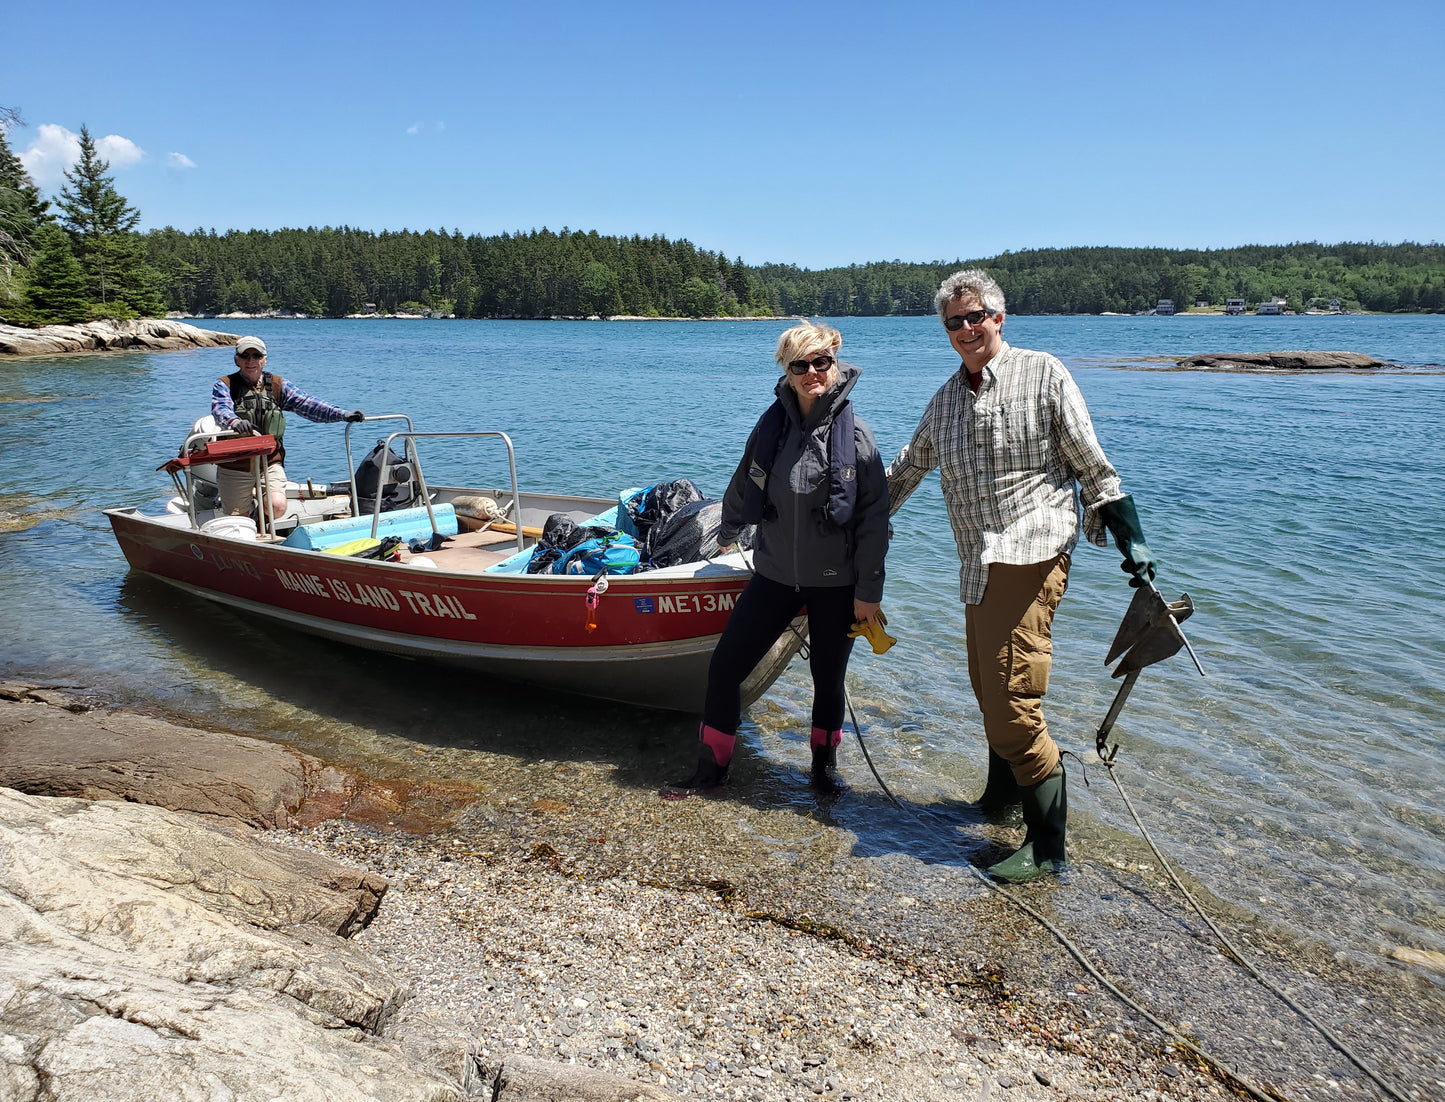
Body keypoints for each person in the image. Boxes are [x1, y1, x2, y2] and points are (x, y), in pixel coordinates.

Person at [886, 270, 1158, 882]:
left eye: (974, 317)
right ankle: (1000, 802)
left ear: (999, 318)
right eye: (953, 322)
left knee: (1012, 701)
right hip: (978, 563)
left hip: (1035, 551)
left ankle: (1049, 849)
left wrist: (1132, 539)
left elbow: (1095, 468)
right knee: (989, 689)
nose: (965, 330)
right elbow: (903, 473)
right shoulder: (946, 401)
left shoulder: (1044, 373)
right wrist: (847, 520)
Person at [674, 322, 889, 793]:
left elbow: (875, 522)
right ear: (787, 370)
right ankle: (711, 773)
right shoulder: (771, 428)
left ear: (835, 361)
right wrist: (725, 533)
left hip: (836, 584)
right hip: (773, 575)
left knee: (827, 679)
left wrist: (869, 593)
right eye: (800, 364)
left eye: (821, 362)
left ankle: (823, 776)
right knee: (726, 667)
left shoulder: (858, 438)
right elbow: (743, 483)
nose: (812, 372)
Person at [209, 336, 364, 519]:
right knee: (238, 519)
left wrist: (343, 414)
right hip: (236, 464)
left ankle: (260, 520)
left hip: (269, 460)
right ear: (237, 360)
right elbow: (221, 409)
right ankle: (247, 522)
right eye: (245, 356)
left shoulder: (277, 385)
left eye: (256, 356)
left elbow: (308, 404)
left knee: (278, 506)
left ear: (264, 359)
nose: (251, 361)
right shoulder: (225, 384)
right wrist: (234, 422)